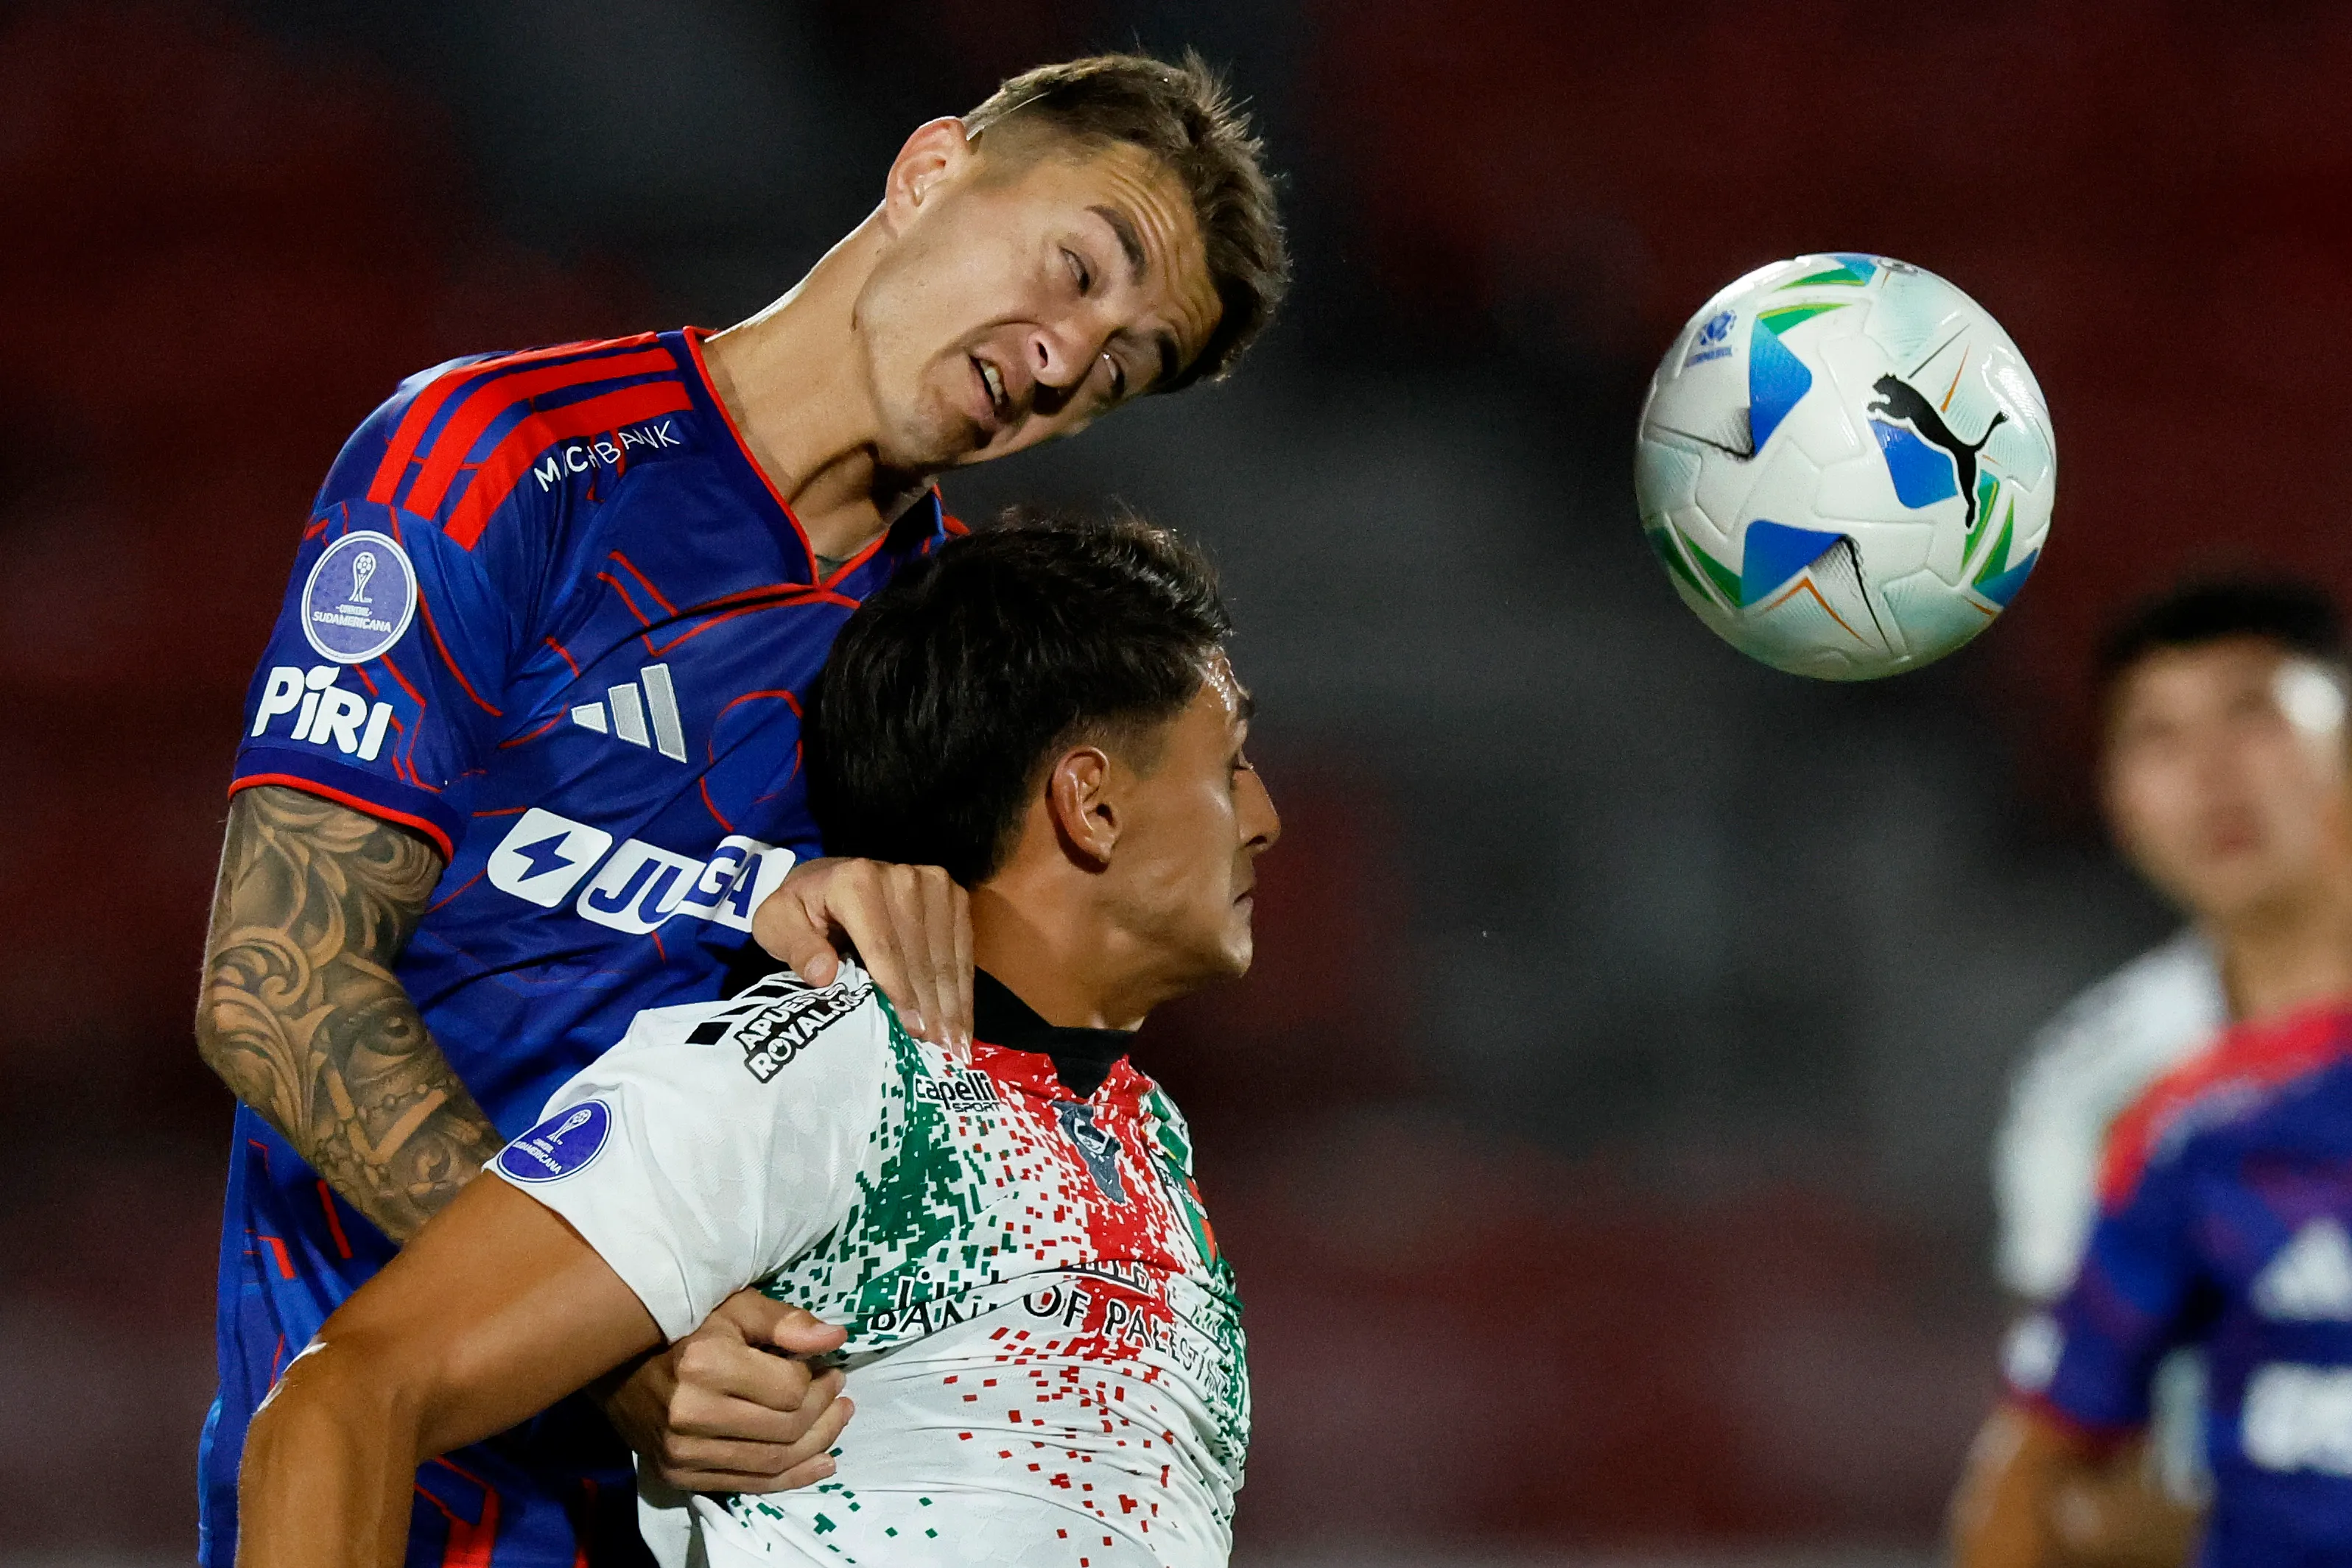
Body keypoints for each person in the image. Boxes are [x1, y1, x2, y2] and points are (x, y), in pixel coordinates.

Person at [194, 54, 1287, 1567]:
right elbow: (274, 982)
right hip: (382, 1480)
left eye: (1117, 367)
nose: (1061, 361)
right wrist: (623, 1345)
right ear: (930, 171)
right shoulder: (504, 462)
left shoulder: (957, 676)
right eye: (1077, 268)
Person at [235, 511, 1277, 1567]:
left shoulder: (1146, 1135)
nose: (1264, 816)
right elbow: (343, 1400)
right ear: (1089, 804)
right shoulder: (824, 1061)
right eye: (1232, 765)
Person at [1953, 580, 2352, 1567]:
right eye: (2158, 739)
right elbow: (2058, 1449)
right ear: (2117, 801)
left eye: (2252, 714)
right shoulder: (2098, 1089)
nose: (2214, 775)